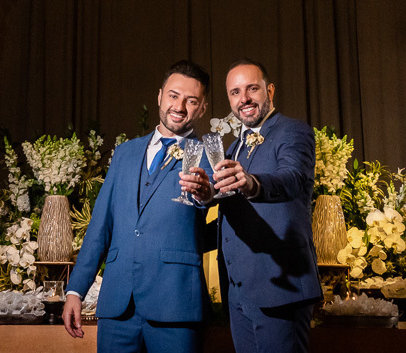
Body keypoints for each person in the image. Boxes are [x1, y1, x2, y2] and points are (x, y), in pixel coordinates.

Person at [63, 60, 215, 353]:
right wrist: (75, 291)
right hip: (118, 306)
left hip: (176, 305)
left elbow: (212, 204)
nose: (179, 106)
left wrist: (204, 195)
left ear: (203, 108)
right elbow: (100, 226)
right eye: (173, 95)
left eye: (191, 100)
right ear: (160, 96)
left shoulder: (209, 156)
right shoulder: (125, 153)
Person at [211, 59, 321, 353]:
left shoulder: (292, 132)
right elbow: (234, 217)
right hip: (239, 291)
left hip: (280, 288)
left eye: (252, 89)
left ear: (269, 90)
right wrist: (203, 196)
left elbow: (293, 178)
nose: (243, 99)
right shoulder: (234, 147)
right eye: (235, 93)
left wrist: (252, 183)